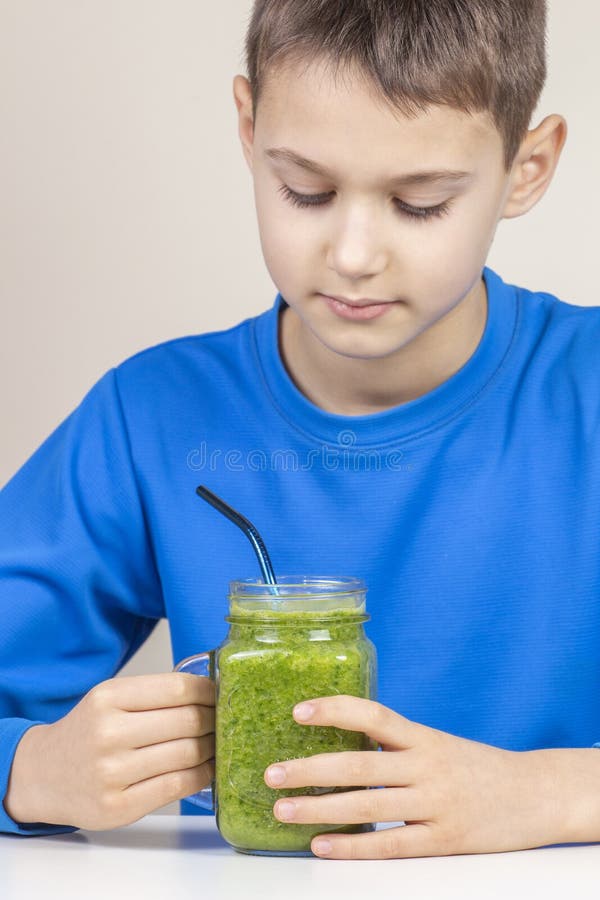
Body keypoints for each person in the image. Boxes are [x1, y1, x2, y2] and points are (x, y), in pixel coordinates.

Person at [1, 0, 599, 860]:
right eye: (305, 191)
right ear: (248, 129)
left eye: (420, 202)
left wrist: (554, 793)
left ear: (527, 167)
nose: (353, 253)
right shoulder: (153, 418)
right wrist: (27, 768)